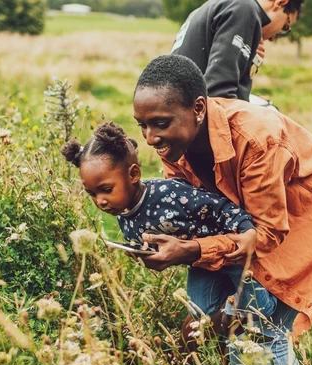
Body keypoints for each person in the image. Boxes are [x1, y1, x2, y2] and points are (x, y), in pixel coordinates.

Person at [131, 54, 312, 365]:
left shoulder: (255, 136)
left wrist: (192, 250)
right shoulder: (175, 145)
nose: (150, 138)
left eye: (160, 124)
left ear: (198, 108)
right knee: (206, 315)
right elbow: (190, 202)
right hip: (242, 218)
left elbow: (266, 233)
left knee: (259, 325)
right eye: (142, 126)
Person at [60, 121, 278, 335]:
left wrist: (246, 229)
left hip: (230, 250)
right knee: (199, 310)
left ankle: (269, 303)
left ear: (133, 175)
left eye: (106, 189)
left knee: (256, 304)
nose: (101, 201)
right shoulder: (122, 213)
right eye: (92, 194)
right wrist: (143, 253)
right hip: (202, 262)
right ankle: (232, 311)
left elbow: (219, 207)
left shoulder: (170, 195)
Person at [170, 0, 303, 101]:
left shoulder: (215, 6)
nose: (273, 38)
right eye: (285, 26)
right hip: (194, 124)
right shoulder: (244, 8)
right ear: (281, 2)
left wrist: (249, 58)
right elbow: (219, 93)